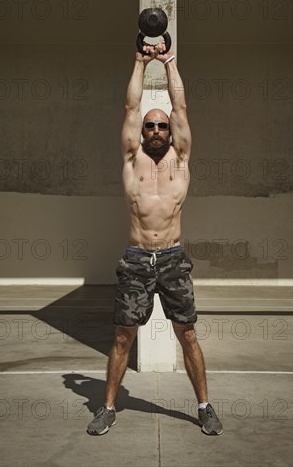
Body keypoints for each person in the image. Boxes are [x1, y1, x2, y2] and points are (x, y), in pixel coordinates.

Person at [87, 43, 223, 436]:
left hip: (173, 260)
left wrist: (169, 62)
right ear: (142, 131)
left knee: (189, 335)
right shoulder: (133, 159)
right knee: (123, 336)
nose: (157, 130)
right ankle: (108, 406)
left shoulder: (181, 159)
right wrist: (139, 63)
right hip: (136, 260)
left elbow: (181, 109)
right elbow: (131, 108)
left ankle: (204, 406)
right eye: (151, 125)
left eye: (162, 125)